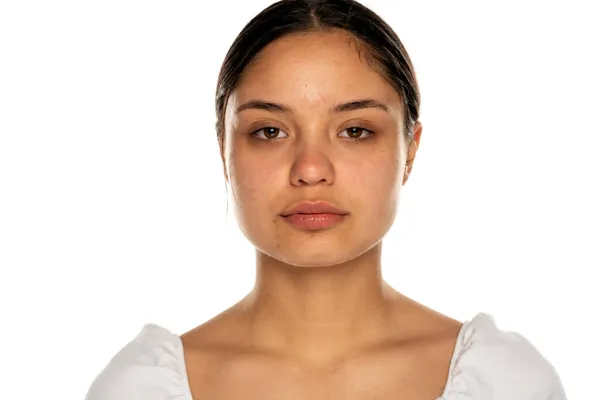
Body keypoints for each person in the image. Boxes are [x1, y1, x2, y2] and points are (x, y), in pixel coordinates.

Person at [84, 0, 567, 399]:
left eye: (355, 130)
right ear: (224, 151)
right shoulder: (140, 389)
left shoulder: (509, 384)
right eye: (269, 131)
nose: (311, 169)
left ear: (410, 151)